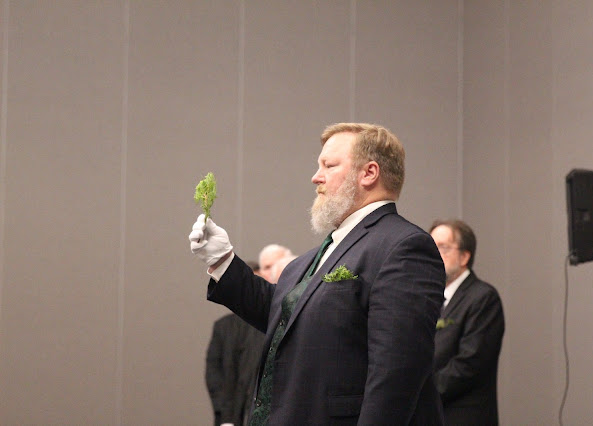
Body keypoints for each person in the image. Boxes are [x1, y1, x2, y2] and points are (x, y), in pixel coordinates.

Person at [190, 122, 446, 425]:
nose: (316, 177)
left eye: (329, 165)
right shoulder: (313, 258)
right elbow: (284, 315)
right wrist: (223, 261)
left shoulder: (403, 246)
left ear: (369, 173)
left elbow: (396, 374)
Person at [429, 219, 505, 426]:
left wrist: (421, 393)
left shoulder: (483, 298)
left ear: (464, 256)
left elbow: (469, 364)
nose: (434, 255)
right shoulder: (429, 298)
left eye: (443, 248)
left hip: (463, 416)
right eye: (431, 247)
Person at [205, 244, 291, 426]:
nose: (268, 274)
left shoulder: (285, 319)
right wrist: (226, 417)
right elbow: (215, 373)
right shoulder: (226, 326)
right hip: (237, 413)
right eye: (265, 268)